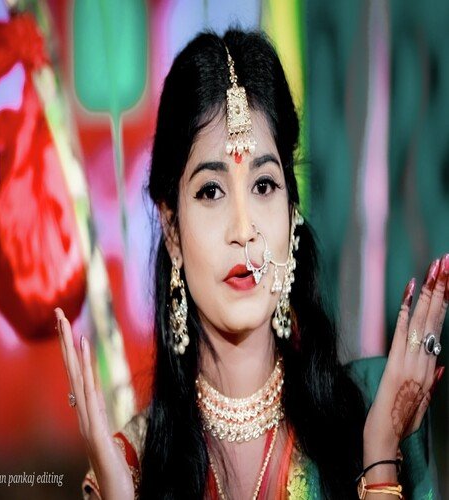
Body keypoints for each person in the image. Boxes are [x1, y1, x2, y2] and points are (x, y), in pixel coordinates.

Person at [55, 29, 447, 499]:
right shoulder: (131, 466)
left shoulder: (375, 411)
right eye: (211, 191)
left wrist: (380, 455)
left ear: (291, 212)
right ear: (172, 230)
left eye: (263, 185)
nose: (244, 230)